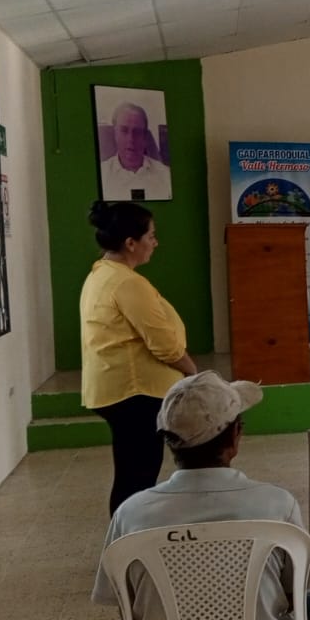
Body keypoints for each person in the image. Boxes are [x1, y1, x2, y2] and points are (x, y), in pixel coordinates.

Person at [92, 372, 310, 620]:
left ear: (169, 441)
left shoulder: (130, 514)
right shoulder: (277, 504)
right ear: (234, 438)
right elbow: (297, 592)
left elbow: (125, 614)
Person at [80, 201, 197, 514]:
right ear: (131, 243)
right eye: (151, 236)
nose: (155, 243)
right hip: (135, 392)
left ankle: (129, 533)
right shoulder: (126, 283)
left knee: (133, 470)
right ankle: (129, 536)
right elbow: (163, 343)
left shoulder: (102, 273)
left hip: (119, 388)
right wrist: (192, 372)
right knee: (138, 474)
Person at [100, 103, 171, 201]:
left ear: (145, 137)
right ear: (115, 133)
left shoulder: (166, 175)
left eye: (137, 132)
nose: (131, 139)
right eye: (124, 130)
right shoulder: (102, 174)